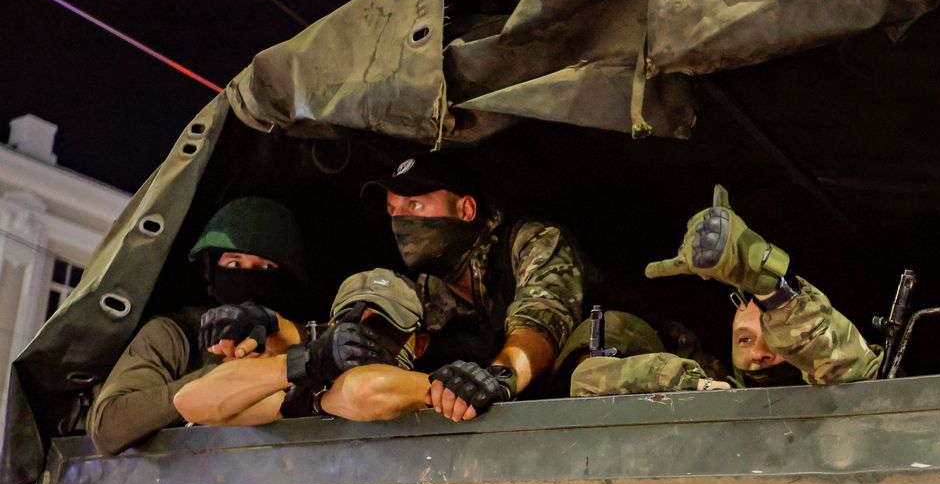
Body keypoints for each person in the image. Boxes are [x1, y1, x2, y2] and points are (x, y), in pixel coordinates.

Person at [571, 185, 880, 396]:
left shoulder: (861, 383)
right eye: (745, 339)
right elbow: (586, 381)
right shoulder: (712, 395)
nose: (759, 355)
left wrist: (768, 285)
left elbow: (845, 367)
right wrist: (682, 383)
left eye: (774, 341)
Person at [360, 152, 585, 421]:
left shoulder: (529, 242)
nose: (400, 222)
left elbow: (542, 321)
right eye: (393, 211)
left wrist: (499, 378)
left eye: (415, 206)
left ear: (466, 209)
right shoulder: (428, 288)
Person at [84, 197, 309, 455]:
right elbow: (109, 426)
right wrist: (222, 376)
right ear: (211, 272)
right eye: (234, 264)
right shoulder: (176, 335)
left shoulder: (302, 341)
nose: (249, 276)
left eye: (265, 267)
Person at [175, 268, 426, 425]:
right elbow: (190, 402)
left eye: (383, 325)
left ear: (420, 344)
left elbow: (364, 391)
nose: (361, 336)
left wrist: (322, 401)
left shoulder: (437, 392)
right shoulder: (311, 391)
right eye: (350, 324)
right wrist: (306, 361)